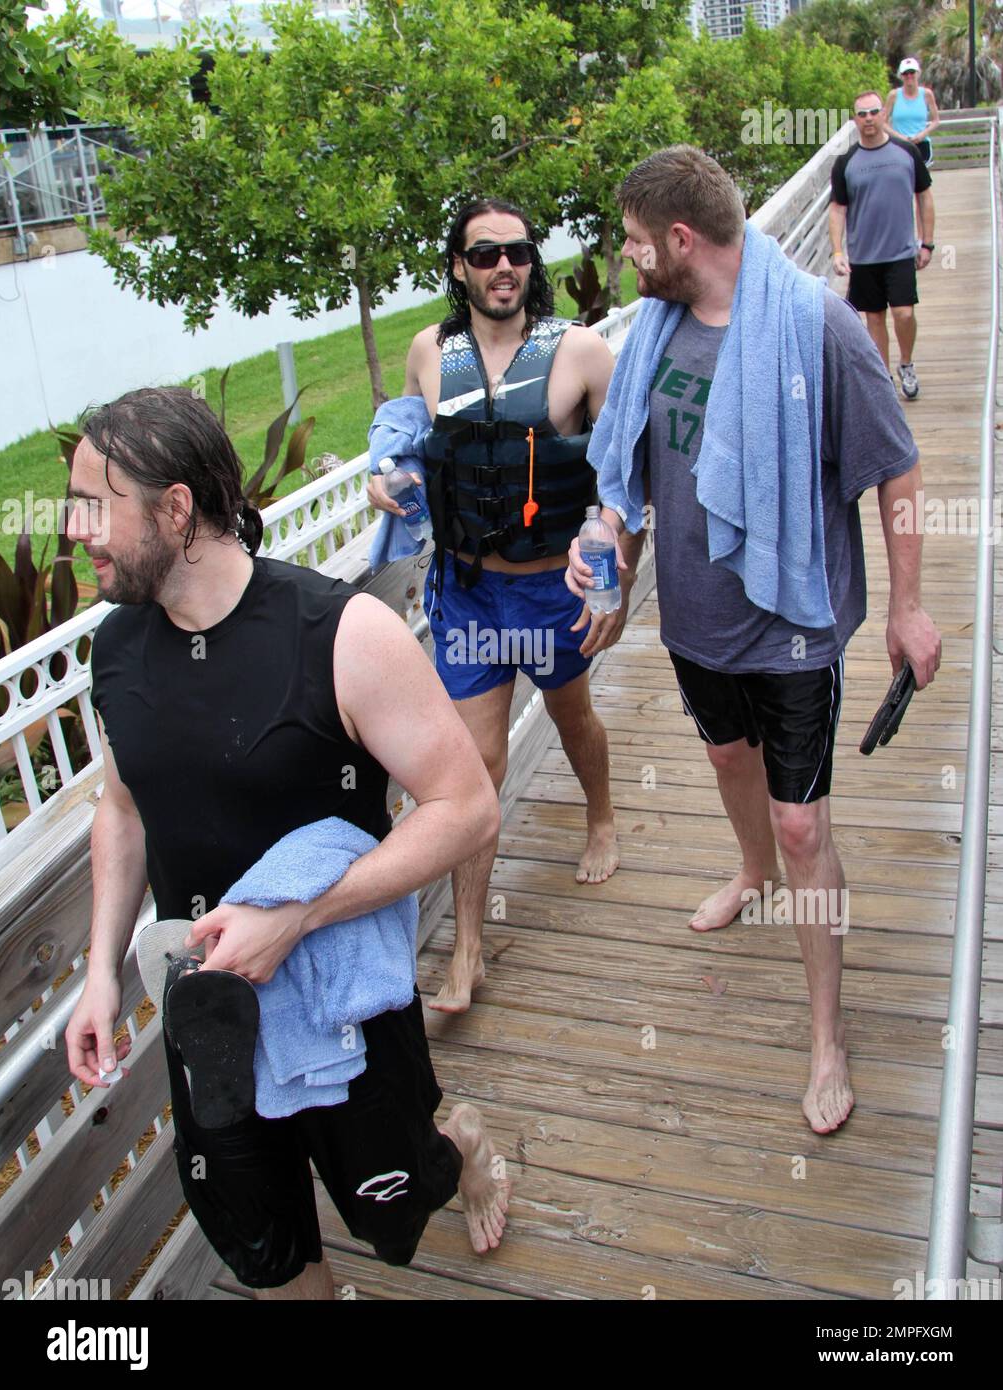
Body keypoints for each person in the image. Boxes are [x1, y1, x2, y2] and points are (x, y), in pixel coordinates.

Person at [64, 388, 510, 1299]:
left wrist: (296, 917)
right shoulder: (116, 651)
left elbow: (466, 808)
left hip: (342, 999)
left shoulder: (340, 633)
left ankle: (460, 1138)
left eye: (94, 505)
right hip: (211, 1017)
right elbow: (123, 807)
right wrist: (101, 970)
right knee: (269, 1254)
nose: (75, 530)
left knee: (400, 1201)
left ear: (176, 508)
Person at [566, 146, 941, 1134]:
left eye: (635, 242)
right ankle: (750, 874)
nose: (626, 257)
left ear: (680, 241)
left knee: (803, 822)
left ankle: (826, 1035)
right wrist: (608, 551)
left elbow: (895, 468)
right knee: (724, 756)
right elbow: (629, 479)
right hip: (693, 623)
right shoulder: (653, 331)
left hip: (793, 623)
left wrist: (907, 606)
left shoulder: (812, 326)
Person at [367, 199, 622, 1015]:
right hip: (468, 592)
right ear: (458, 268)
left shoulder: (580, 351)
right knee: (475, 767)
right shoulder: (427, 352)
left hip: (554, 590)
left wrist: (613, 574)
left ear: (531, 263)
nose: (503, 266)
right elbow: (405, 435)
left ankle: (603, 814)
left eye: (516, 252)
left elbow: (625, 478)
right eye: (485, 254)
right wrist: (385, 477)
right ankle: (468, 948)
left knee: (572, 716)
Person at [829, 90, 935, 401]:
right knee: (873, 318)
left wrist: (927, 242)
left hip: (901, 251)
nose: (868, 119)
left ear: (883, 115)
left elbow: (925, 195)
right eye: (862, 114)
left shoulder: (906, 153)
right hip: (863, 257)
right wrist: (837, 251)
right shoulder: (846, 163)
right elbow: (837, 208)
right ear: (855, 120)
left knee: (903, 313)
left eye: (874, 112)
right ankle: (884, 377)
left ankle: (907, 363)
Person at [883, 57, 940, 168]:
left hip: (921, 144)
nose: (909, 76)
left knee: (922, 182)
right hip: (900, 145)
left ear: (918, 73)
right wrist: (900, 137)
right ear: (901, 76)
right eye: (905, 73)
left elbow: (936, 120)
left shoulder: (927, 94)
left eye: (912, 72)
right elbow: (883, 123)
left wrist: (922, 134)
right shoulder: (893, 95)